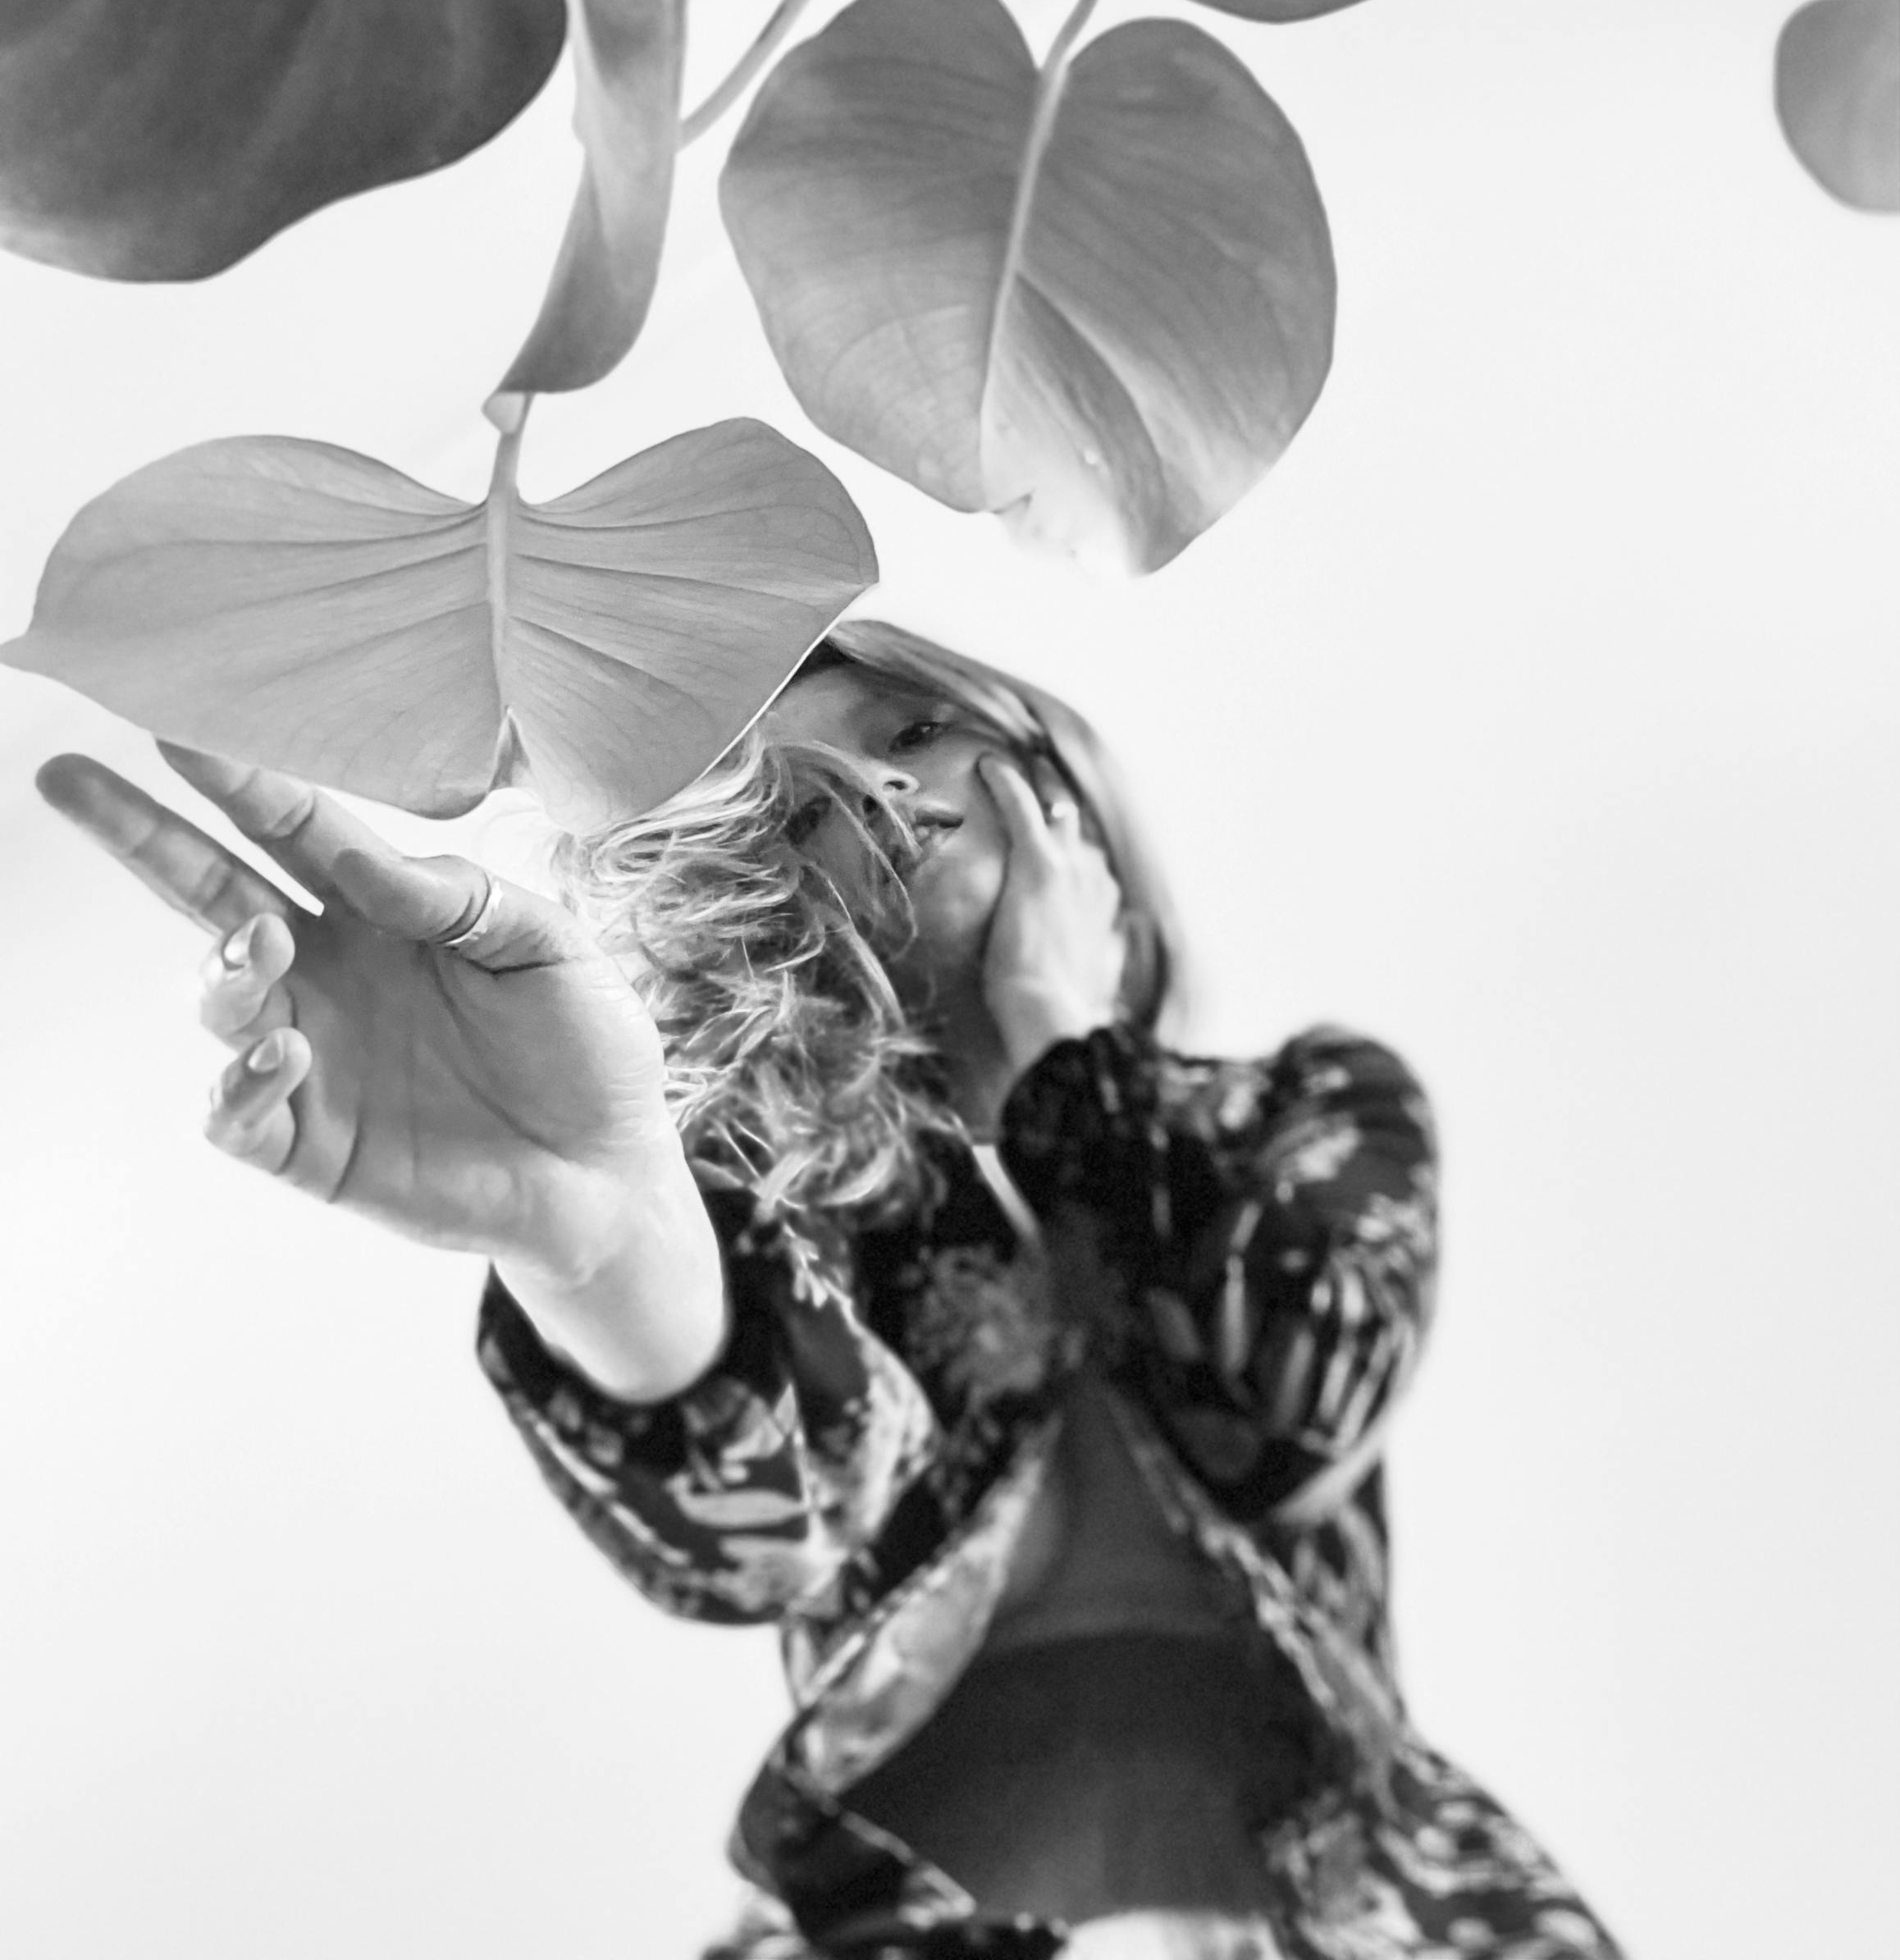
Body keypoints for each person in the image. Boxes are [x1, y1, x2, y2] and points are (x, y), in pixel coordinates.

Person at [38, 619, 1624, 1960]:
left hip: (1376, 1908)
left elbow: (1289, 1405)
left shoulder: (1313, 1107)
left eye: (923, 729)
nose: (879, 786)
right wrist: (598, 1243)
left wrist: (1068, 1052)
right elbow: (772, 1534)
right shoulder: (786, 1196)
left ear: (1075, 804)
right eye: (800, 808)